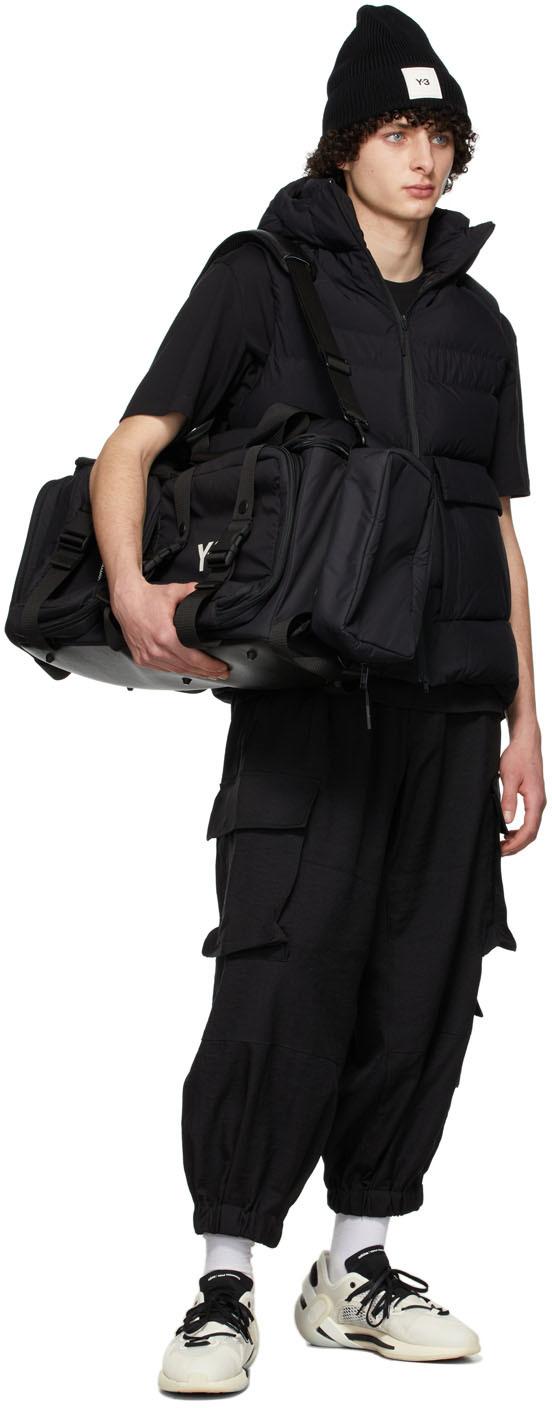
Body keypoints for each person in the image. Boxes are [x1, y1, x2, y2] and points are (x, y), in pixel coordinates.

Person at [89, 3, 546, 1388]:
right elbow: (134, 445)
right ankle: (224, 1284)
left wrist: (527, 720)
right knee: (280, 981)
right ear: (345, 144)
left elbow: (496, 529)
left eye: (440, 134)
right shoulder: (260, 277)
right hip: (308, 701)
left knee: (424, 988)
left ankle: (357, 1266)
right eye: (397, 132)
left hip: (452, 712)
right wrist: (133, 592)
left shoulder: (481, 323)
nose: (424, 158)